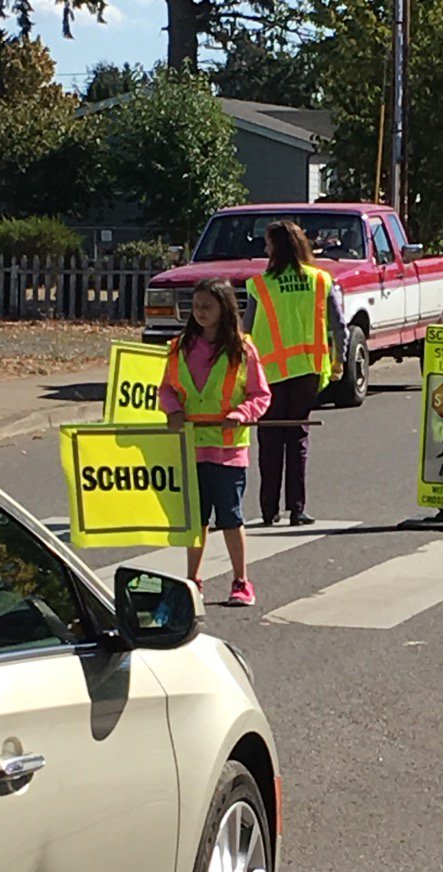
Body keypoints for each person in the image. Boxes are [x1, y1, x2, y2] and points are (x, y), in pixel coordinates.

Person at [159, 277, 271, 607]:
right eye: (195, 307)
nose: (200, 313)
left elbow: (260, 394)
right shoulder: (180, 347)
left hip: (227, 451)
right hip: (191, 447)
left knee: (231, 518)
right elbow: (166, 388)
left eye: (207, 306)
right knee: (195, 521)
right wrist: (173, 410)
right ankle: (193, 579)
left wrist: (242, 413)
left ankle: (241, 581)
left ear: (223, 308)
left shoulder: (242, 348)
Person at [243, 220, 349, 526]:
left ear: (275, 248)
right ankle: (297, 509)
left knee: (270, 439)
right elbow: (338, 325)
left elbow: (246, 332)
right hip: (308, 370)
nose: (264, 248)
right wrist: (340, 360)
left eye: (267, 243)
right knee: (298, 437)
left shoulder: (260, 285)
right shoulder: (320, 280)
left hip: (270, 373)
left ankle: (268, 510)